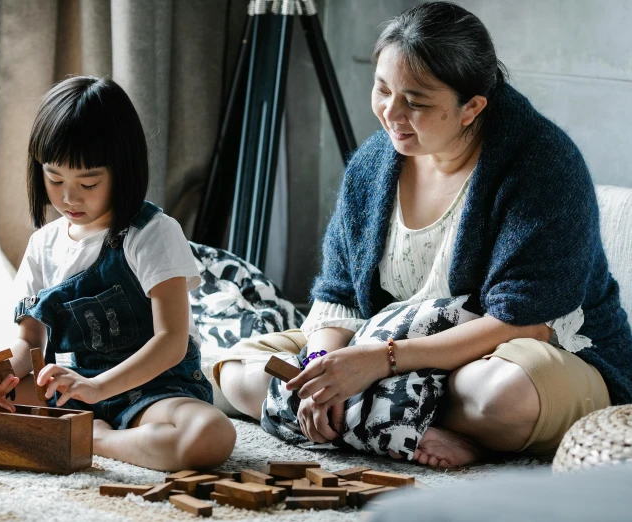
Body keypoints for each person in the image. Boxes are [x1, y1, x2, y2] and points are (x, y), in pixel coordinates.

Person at [215, 1, 632, 468]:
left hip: (515, 355)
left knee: (499, 399)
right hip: (388, 345)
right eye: (382, 89)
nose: (391, 113)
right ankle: (408, 429)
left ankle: (374, 418)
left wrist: (379, 362)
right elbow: (339, 297)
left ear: (471, 107)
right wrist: (319, 373)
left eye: (416, 102)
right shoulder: (373, 166)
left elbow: (525, 321)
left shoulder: (542, 165)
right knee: (235, 373)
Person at [0, 76, 236, 472]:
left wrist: (99, 387)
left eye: (88, 182)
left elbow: (171, 340)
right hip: (67, 393)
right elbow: (27, 345)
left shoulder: (152, 232)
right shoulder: (43, 245)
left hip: (152, 393)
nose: (69, 197)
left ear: (123, 169)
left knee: (211, 435)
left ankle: (94, 438)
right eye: (55, 179)